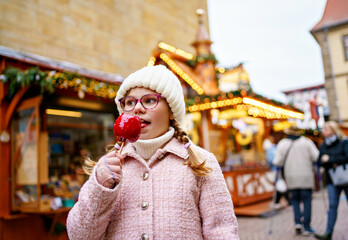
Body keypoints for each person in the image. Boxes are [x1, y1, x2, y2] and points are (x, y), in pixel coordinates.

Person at [66, 65, 239, 240]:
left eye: (149, 100)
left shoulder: (201, 162)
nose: (137, 108)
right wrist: (99, 188)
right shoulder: (108, 168)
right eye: (130, 102)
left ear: (171, 111)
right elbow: (79, 235)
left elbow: (222, 231)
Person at [314, 121, 348, 240]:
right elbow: (319, 161)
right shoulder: (323, 145)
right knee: (332, 206)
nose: (323, 131)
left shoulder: (344, 141)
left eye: (326, 129)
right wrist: (328, 161)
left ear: (333, 131)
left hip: (347, 178)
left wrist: (329, 159)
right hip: (332, 179)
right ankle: (328, 233)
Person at [273, 126, 319, 236]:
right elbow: (316, 156)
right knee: (307, 201)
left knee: (295, 201)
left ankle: (298, 222)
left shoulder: (283, 144)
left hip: (291, 177)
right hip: (306, 176)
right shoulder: (306, 142)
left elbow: (277, 161)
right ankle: (307, 227)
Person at [263, 136, 291, 209]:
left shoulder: (269, 151)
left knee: (279, 185)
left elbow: (271, 161)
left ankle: (281, 202)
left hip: (276, 170)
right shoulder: (275, 148)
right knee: (279, 186)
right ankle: (277, 202)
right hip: (281, 169)